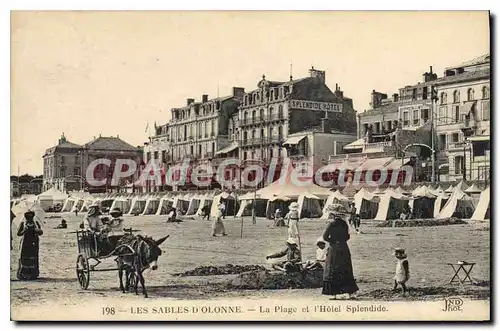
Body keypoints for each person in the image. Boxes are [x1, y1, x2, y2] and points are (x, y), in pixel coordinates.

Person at [321, 204, 359, 299]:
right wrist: (341, 240)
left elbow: (325, 237)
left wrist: (332, 241)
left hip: (334, 249)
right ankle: (349, 292)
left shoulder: (331, 224)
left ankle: (333, 294)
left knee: (333, 269)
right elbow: (347, 236)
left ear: (333, 215)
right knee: (345, 269)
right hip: (343, 248)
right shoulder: (344, 224)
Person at [16, 211, 43, 280]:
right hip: (25, 243)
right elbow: (18, 234)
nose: (29, 218)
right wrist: (24, 231)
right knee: (24, 257)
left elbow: (41, 232)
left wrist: (37, 230)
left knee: (33, 257)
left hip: (33, 243)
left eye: (31, 217)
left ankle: (33, 274)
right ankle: (23, 274)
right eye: (28, 217)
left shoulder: (36, 223)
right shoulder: (23, 224)